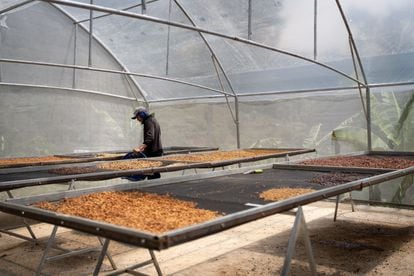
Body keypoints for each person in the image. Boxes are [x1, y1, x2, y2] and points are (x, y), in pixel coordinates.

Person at [123, 107, 163, 180]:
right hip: (156, 150)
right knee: (154, 172)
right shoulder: (153, 120)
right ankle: (156, 187)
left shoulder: (148, 121)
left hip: (153, 152)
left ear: (142, 114)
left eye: (137, 117)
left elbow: (150, 136)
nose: (138, 120)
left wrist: (140, 148)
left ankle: (153, 188)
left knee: (152, 172)